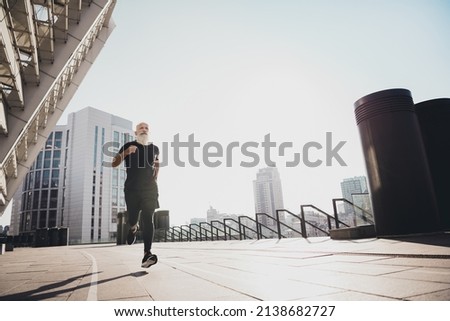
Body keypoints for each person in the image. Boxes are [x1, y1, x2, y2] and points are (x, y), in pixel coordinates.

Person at [112, 122, 160, 268]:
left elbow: (156, 164)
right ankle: (133, 228)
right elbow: (114, 163)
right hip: (132, 189)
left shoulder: (154, 148)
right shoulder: (128, 145)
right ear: (136, 132)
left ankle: (147, 254)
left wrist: (155, 176)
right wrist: (126, 153)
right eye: (141, 128)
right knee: (133, 217)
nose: (144, 130)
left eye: (146, 128)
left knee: (148, 217)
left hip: (150, 189)